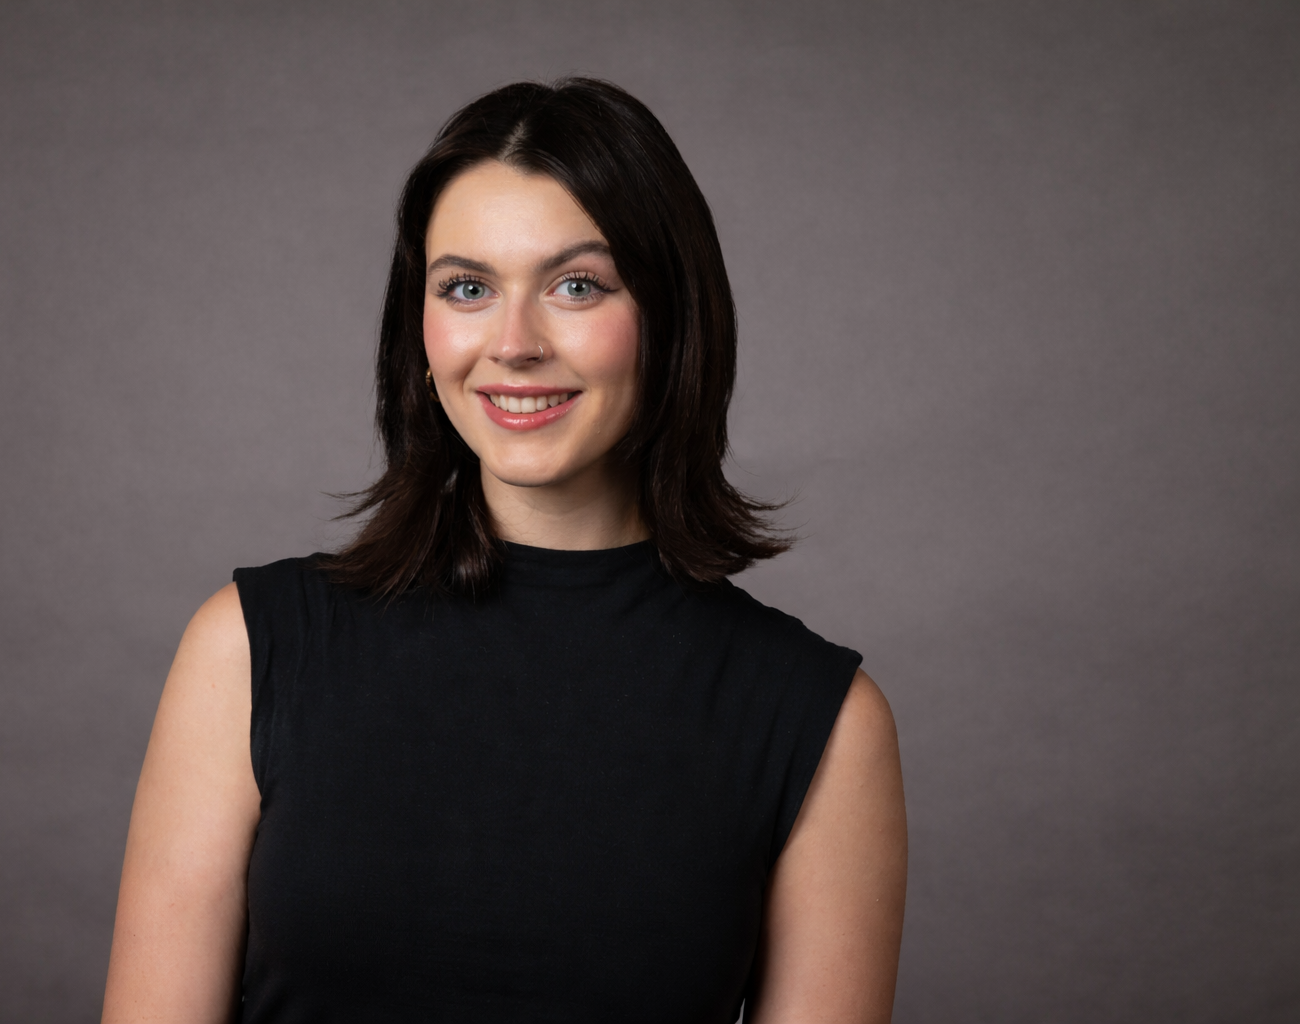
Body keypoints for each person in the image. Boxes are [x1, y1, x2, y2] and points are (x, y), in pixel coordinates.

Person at [101, 78, 906, 1024]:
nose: (514, 343)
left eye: (577, 286)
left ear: (672, 317)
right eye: (468, 288)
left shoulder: (820, 722)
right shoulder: (245, 651)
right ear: (420, 330)